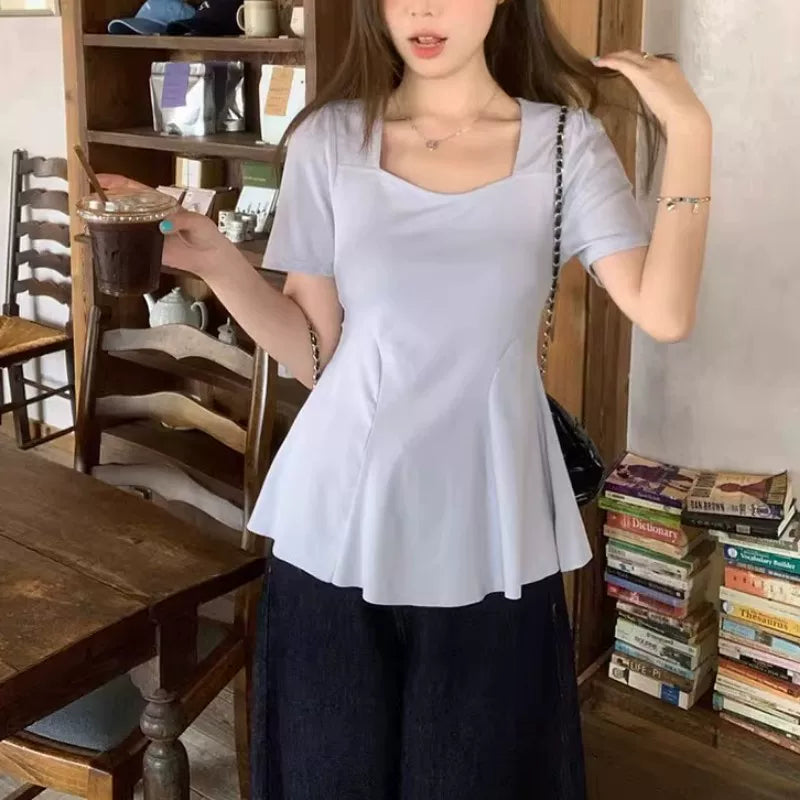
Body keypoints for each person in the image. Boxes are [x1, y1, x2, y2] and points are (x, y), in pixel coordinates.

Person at [102, 1, 712, 797]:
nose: (423, 8)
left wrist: (690, 131)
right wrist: (219, 263)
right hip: (336, 523)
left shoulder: (566, 143)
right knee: (328, 779)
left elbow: (664, 313)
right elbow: (317, 354)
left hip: (492, 529)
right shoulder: (328, 139)